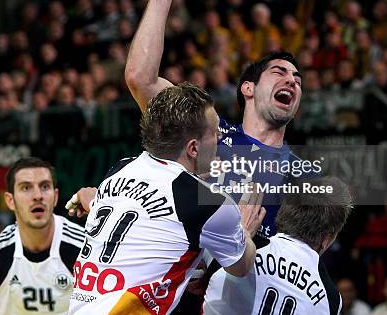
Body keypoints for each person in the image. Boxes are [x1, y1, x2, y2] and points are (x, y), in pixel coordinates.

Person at [124, 0, 307, 240]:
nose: (292, 81)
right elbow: (141, 79)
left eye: (297, 79)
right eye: (279, 72)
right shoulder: (211, 131)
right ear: (248, 88)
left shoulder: (301, 173)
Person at [67, 83, 264, 314]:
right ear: (193, 148)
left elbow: (138, 215)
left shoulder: (119, 170)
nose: (220, 137)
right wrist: (244, 230)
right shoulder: (209, 204)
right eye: (215, 131)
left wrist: (94, 201)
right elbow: (241, 266)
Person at [0, 157, 84, 315]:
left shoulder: (86, 250)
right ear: (10, 201)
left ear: (55, 197)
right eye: (26, 188)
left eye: (45, 186)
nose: (37, 196)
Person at [203, 177, 353, 315]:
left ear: (282, 214)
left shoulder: (234, 246)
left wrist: (239, 231)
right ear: (326, 239)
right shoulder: (331, 300)